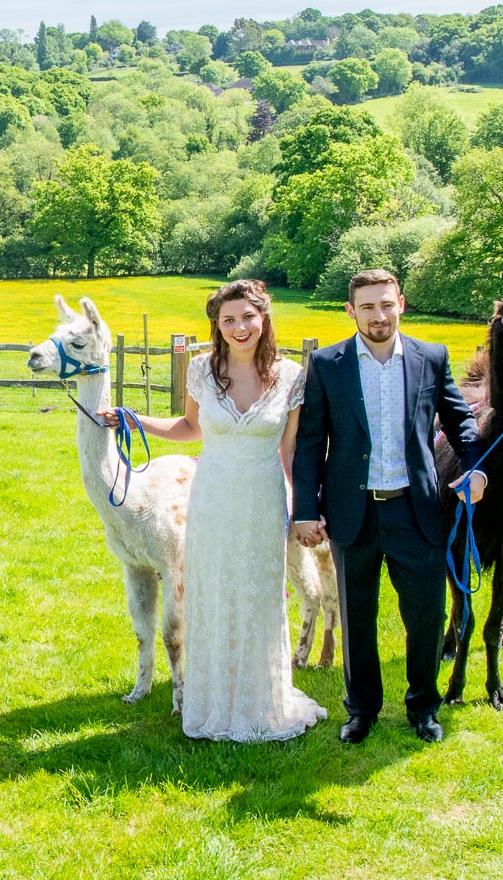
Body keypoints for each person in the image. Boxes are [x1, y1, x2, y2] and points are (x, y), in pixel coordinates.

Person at [100, 279, 326, 741]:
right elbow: (189, 427)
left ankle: (261, 700)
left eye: (247, 317)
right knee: (214, 595)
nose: (239, 327)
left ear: (264, 319)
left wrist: (306, 508)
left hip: (263, 500)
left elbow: (291, 454)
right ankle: (213, 700)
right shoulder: (202, 369)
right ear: (216, 325)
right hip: (214, 499)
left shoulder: (291, 376)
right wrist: (132, 418)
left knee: (260, 597)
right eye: (228, 320)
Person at [291, 269, 485, 745]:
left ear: (401, 302)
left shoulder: (430, 358)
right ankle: (361, 710)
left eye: (386, 304)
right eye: (367, 307)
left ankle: (423, 707)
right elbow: (311, 442)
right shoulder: (327, 364)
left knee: (425, 614)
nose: (378, 316)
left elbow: (461, 421)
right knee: (356, 616)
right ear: (350, 310)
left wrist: (476, 468)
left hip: (415, 509)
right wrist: (304, 509)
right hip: (352, 512)